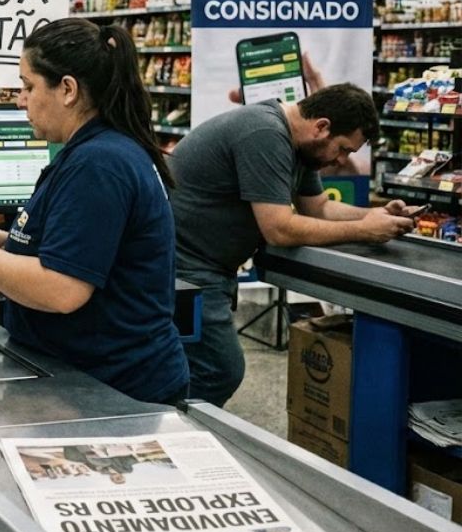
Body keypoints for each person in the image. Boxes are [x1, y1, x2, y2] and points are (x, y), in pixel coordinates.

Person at [0, 18, 189, 405]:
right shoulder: (96, 150)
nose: (21, 100)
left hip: (114, 388)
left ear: (68, 89)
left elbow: (63, 289)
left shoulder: (99, 163)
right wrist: (10, 242)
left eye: (28, 86)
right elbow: (92, 249)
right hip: (89, 375)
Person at [170, 83, 416, 406]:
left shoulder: (302, 149)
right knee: (220, 369)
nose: (340, 160)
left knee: (197, 365)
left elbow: (320, 207)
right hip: (185, 265)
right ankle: (168, 435)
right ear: (322, 127)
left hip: (207, 265)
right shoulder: (265, 134)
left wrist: (376, 215)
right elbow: (279, 229)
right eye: (342, 149)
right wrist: (364, 230)